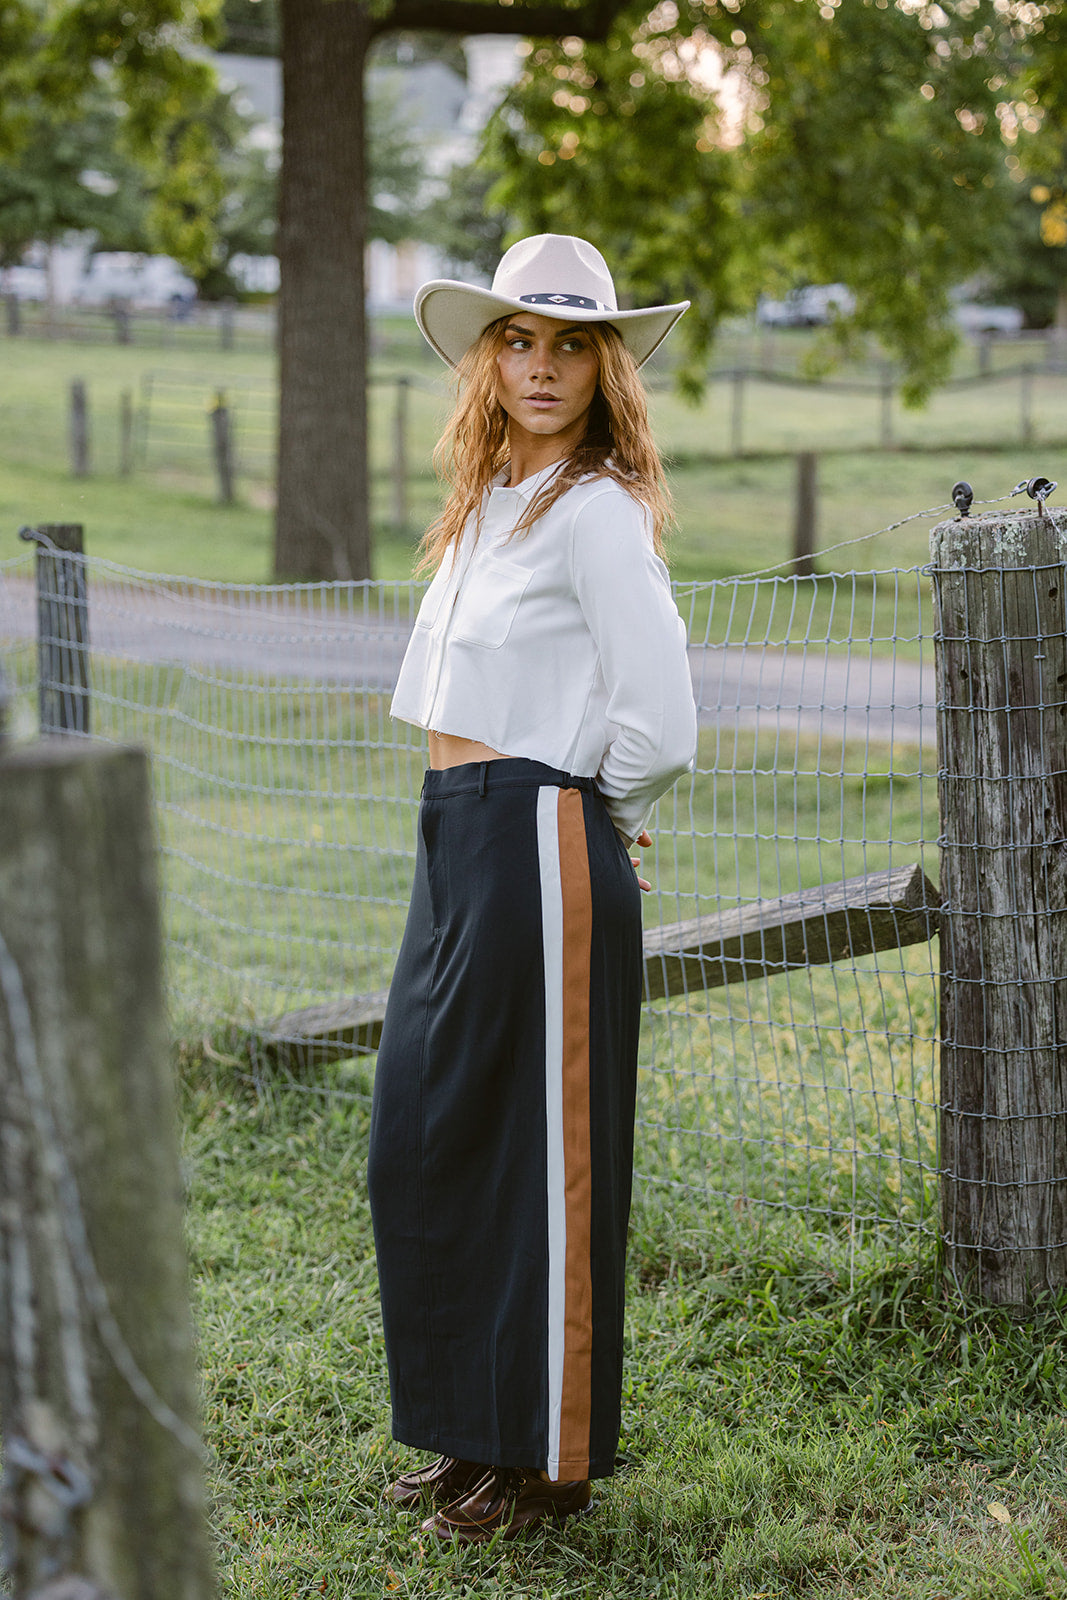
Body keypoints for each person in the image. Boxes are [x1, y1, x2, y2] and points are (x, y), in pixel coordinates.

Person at [367, 234, 698, 1545]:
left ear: (604, 364)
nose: (543, 365)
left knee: (539, 1163)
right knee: (426, 1141)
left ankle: (539, 1466)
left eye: (569, 343)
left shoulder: (602, 511)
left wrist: (589, 811)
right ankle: (472, 1436)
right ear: (486, 360)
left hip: (537, 834)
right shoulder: (492, 502)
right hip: (456, 836)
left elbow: (659, 722)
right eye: (519, 339)